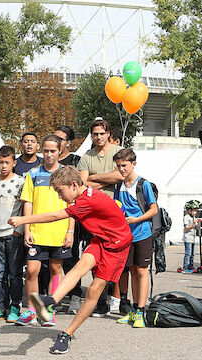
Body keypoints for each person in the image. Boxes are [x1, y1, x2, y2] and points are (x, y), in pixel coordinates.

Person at [8, 166, 132, 354]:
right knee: (80, 266)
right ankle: (51, 300)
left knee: (93, 290)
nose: (59, 196)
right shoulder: (82, 193)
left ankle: (66, 334)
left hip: (117, 245)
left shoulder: (86, 202)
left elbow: (55, 216)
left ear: (73, 185)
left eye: (60, 191)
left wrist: (23, 220)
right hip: (101, 239)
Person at [15, 135, 74, 327]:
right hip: (37, 231)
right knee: (32, 270)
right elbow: (28, 202)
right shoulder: (33, 173)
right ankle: (33, 310)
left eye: (53, 151)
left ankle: (49, 309)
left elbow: (73, 205)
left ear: (60, 152)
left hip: (59, 231)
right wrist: (27, 229)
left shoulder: (67, 175)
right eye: (46, 151)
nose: (49, 155)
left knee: (56, 269)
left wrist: (70, 231)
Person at [77, 118, 124, 315]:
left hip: (115, 214)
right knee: (94, 259)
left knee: (115, 259)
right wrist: (106, 179)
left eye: (101, 133)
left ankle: (119, 298)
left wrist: (94, 178)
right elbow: (81, 185)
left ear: (108, 134)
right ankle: (100, 299)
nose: (98, 137)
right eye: (95, 134)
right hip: (92, 214)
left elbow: (120, 176)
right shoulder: (86, 156)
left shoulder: (117, 152)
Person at [112, 148, 158, 328]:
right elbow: (117, 206)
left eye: (124, 165)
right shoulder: (118, 185)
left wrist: (137, 219)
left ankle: (141, 311)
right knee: (130, 270)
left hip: (142, 233)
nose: (121, 169)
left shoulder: (143, 184)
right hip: (125, 234)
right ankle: (132, 310)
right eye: (118, 166)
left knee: (142, 270)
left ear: (133, 164)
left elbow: (154, 209)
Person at [0, 146, 25, 322]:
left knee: (14, 273)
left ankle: (15, 306)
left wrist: (20, 230)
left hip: (13, 234)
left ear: (14, 163)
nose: (3, 166)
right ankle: (0, 305)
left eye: (7, 162)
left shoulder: (20, 182)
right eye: (0, 162)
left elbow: (25, 208)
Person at [54, 125, 84, 313]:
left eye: (61, 139)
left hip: (72, 217)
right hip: (52, 220)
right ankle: (53, 296)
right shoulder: (46, 160)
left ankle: (75, 295)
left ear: (68, 142)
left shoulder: (75, 160)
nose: (56, 142)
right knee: (52, 261)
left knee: (71, 257)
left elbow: (83, 183)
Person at [181, 202, 200, 273]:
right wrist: (193, 223)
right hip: (187, 238)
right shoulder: (186, 217)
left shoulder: (194, 217)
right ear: (189, 210)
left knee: (193, 254)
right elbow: (187, 228)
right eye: (194, 210)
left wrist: (198, 223)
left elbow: (197, 228)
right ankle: (185, 267)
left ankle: (191, 266)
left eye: (196, 211)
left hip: (193, 238)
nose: (195, 212)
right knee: (188, 253)